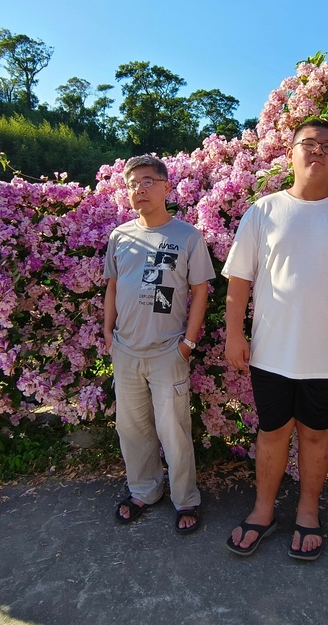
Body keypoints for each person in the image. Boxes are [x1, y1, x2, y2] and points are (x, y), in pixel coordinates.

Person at [223, 119, 328, 560]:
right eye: (308, 144)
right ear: (290, 153)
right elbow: (239, 280)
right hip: (271, 353)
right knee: (272, 433)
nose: (317, 152)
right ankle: (263, 511)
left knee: (315, 434)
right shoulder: (263, 212)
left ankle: (308, 511)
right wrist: (234, 334)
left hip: (327, 355)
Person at [103, 154, 215, 534]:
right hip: (126, 351)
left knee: (174, 432)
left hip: (169, 353)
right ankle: (143, 492)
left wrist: (188, 343)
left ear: (167, 186)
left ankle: (186, 499)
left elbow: (200, 291)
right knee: (132, 430)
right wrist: (108, 333)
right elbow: (113, 286)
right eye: (133, 184)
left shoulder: (187, 236)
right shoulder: (120, 236)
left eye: (148, 181)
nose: (139, 189)